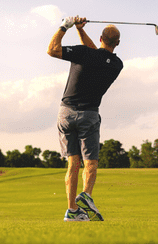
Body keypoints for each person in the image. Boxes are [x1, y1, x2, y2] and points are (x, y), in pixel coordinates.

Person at [47, 16, 123, 222]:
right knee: (90, 163)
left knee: (73, 163)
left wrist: (66, 26)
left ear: (100, 38)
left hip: (66, 113)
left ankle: (72, 210)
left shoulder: (84, 54)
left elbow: (52, 49)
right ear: (118, 43)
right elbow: (98, 55)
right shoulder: (116, 64)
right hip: (89, 115)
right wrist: (80, 31)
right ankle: (86, 196)